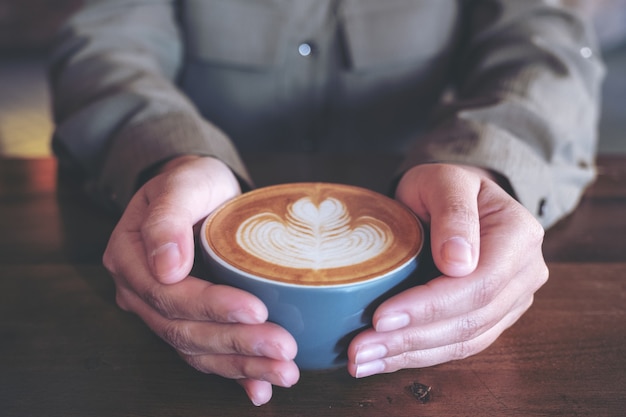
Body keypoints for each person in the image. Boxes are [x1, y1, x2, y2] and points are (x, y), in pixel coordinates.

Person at [48, 0, 604, 406]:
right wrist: (166, 158)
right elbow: (104, 42)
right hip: (205, 226)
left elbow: (543, 39)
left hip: (415, 216)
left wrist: (485, 168)